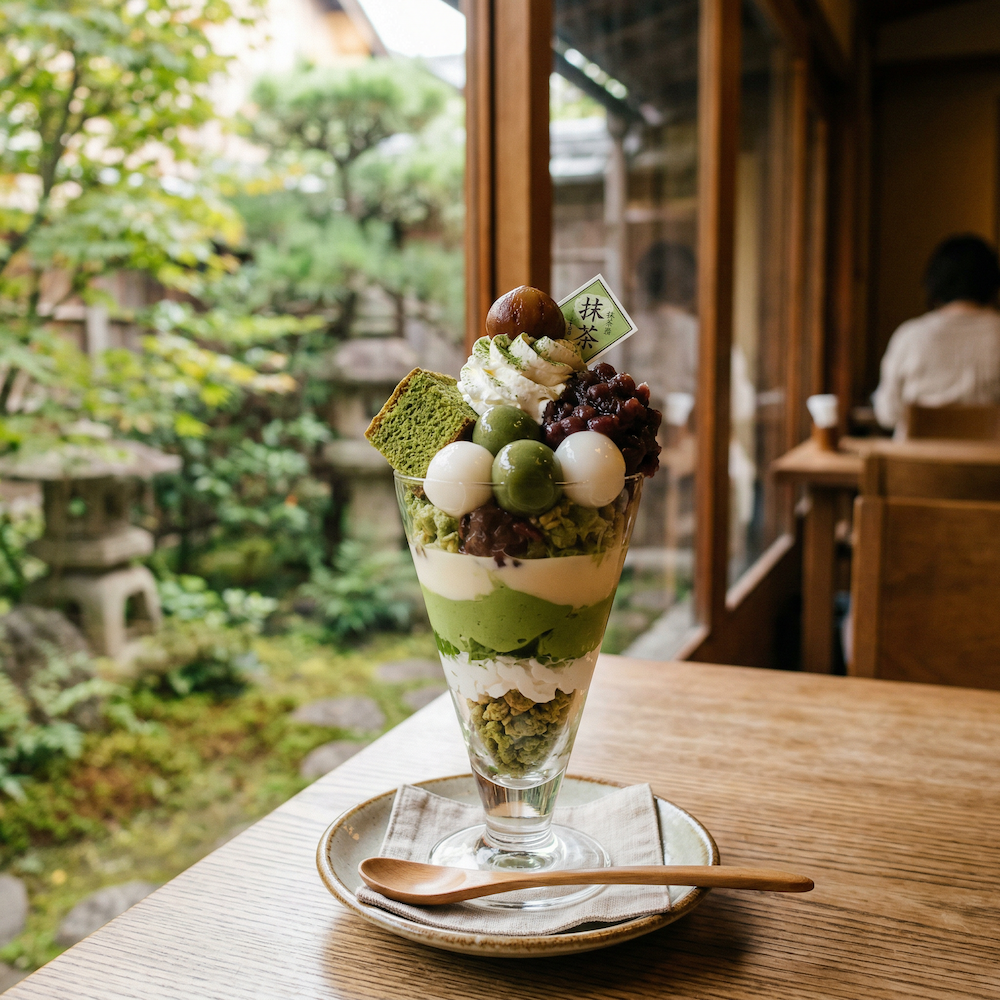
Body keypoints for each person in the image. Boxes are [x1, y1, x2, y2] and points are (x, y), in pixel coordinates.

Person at [873, 234, 1000, 434]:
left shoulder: (910, 336)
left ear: (935, 281)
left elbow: (887, 414)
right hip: (989, 463)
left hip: (917, 464)